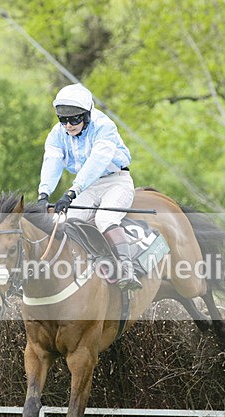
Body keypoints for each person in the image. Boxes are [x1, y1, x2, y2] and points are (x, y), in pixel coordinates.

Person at [37, 83, 142, 291]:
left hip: (116, 182)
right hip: (89, 187)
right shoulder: (57, 134)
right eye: (63, 119)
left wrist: (72, 192)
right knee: (65, 222)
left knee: (105, 219)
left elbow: (96, 162)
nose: (68, 125)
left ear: (87, 115)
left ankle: (128, 269)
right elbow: (52, 162)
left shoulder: (104, 126)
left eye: (74, 119)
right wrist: (43, 194)